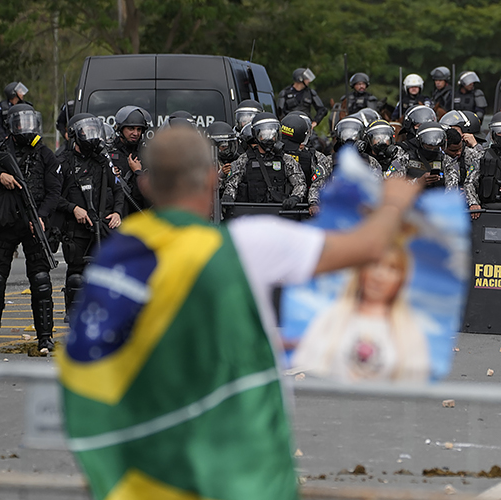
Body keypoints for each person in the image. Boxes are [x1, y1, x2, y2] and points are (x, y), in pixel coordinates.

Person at [57, 125, 423, 500]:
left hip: (146, 476)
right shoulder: (247, 244)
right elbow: (368, 244)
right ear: (214, 177)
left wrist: (259, 339)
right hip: (230, 475)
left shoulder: (118, 257)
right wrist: (393, 200)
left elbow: (151, 341)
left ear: (148, 185)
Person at [0, 104, 62, 351]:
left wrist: (42, 216)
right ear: (12, 125)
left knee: (41, 280)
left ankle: (45, 336)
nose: (25, 127)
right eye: (20, 123)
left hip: (34, 222)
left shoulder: (45, 154)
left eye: (29, 122)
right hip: (4, 222)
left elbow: (55, 191)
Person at [291, 242, 428, 382]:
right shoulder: (333, 316)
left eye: (391, 268)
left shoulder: (409, 331)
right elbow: (305, 370)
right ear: (361, 271)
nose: (379, 275)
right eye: (374, 264)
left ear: (401, 279)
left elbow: (414, 384)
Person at [56, 114, 123, 320]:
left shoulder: (103, 161)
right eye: (86, 131)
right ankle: (74, 312)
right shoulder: (63, 162)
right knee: (77, 273)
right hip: (76, 227)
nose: (91, 136)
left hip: (102, 224)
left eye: (94, 130)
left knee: (106, 270)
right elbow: (52, 196)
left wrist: (118, 212)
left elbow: (118, 189)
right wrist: (73, 208)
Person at [221, 112, 306, 216]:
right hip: (252, 215)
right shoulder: (244, 160)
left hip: (278, 214)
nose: (269, 138)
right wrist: (229, 196)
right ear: (256, 134)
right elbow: (232, 183)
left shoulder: (286, 160)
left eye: (272, 134)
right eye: (264, 135)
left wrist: (295, 197)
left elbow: (300, 183)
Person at [280, 112, 333, 216]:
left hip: (305, 210)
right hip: (275, 207)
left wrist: (313, 203)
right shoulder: (274, 155)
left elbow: (320, 184)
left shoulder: (317, 157)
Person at [110, 105, 152, 216]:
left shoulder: (146, 154)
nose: (135, 133)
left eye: (139, 129)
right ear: (121, 129)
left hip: (140, 215)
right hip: (116, 216)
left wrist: (138, 172)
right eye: (131, 128)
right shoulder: (108, 153)